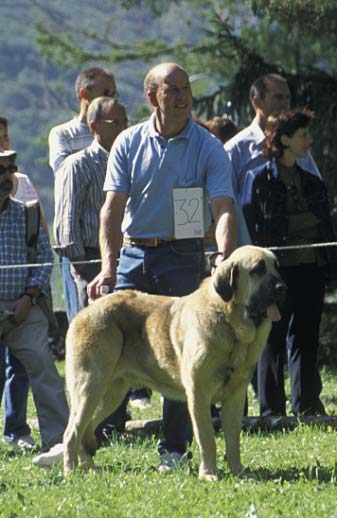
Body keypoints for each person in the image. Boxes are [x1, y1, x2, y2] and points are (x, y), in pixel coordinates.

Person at [87, 62, 237, 473]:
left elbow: (223, 208)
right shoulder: (129, 142)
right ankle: (95, 439)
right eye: (172, 89)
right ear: (152, 96)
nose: (183, 96)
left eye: (186, 88)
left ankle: (174, 449)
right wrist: (108, 267)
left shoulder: (209, 147)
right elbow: (111, 211)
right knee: (112, 347)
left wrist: (223, 257)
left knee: (182, 354)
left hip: (183, 256)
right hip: (134, 254)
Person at [241, 109, 336, 416]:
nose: (308, 140)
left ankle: (307, 404)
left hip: (311, 269)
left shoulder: (311, 182)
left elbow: (323, 225)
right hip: (276, 273)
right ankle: (271, 409)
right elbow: (257, 225)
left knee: (306, 337)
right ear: (284, 139)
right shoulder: (258, 180)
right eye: (302, 135)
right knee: (271, 337)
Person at [0, 148, 69, 457]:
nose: (7, 177)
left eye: (10, 169)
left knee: (44, 368)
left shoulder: (27, 213)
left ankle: (61, 442)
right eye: (0, 170)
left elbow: (44, 259)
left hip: (24, 312)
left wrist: (29, 297)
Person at [48, 67, 117, 323]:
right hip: (81, 243)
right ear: (84, 93)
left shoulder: (117, 132)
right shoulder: (62, 134)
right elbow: (64, 174)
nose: (112, 98)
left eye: (114, 93)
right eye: (106, 92)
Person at [225, 73, 321, 201]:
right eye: (278, 97)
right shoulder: (235, 150)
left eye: (287, 98)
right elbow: (226, 201)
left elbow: (318, 192)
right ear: (257, 101)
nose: (285, 104)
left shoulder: (297, 144)